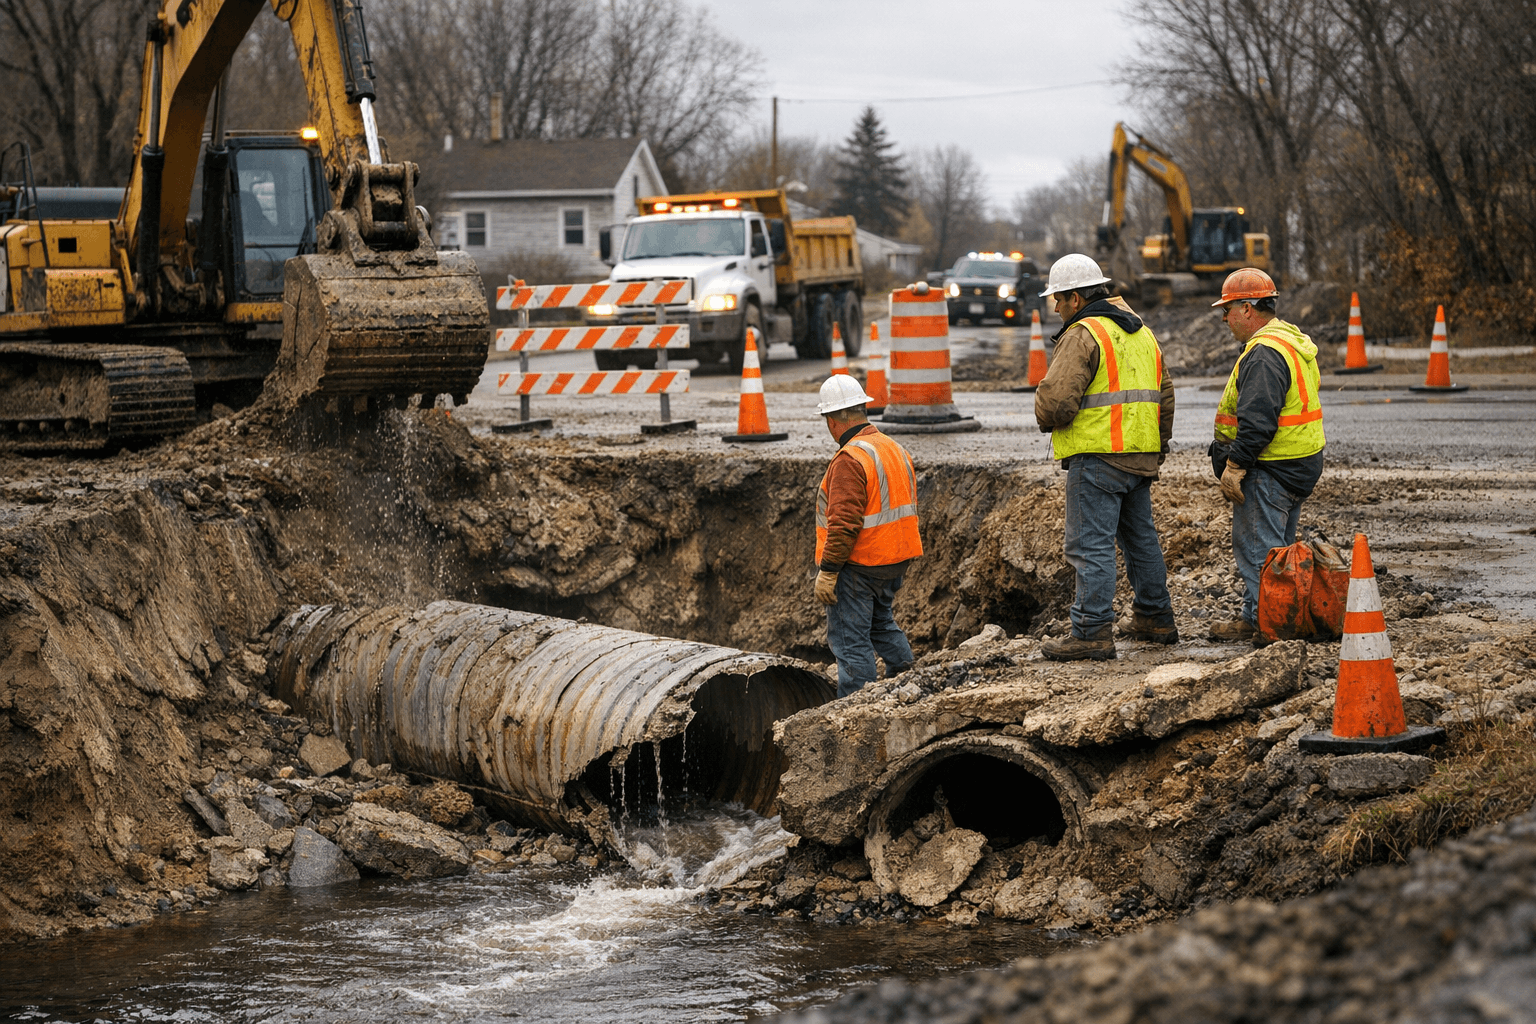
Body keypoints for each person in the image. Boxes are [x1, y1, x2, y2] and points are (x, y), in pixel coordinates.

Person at [1033, 253, 1178, 661]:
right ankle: (1155, 616)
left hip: (1097, 457)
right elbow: (1165, 395)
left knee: (1090, 546)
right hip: (1140, 455)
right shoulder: (1141, 332)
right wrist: (1158, 446)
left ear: (1076, 298)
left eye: (1058, 299)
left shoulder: (1083, 334)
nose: (1056, 309)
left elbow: (1057, 402)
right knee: (1140, 540)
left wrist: (1043, 412)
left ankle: (1091, 631)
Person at [1207, 268, 1326, 642]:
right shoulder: (1290, 342)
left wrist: (1235, 466)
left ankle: (1275, 629)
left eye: (1227, 310)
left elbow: (1258, 422)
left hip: (1270, 469)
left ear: (1247, 308)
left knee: (1260, 554)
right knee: (1276, 551)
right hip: (1298, 464)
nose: (1224, 319)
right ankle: (1255, 616)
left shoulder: (1263, 354)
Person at [814, 375, 922, 698]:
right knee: (881, 624)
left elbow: (844, 524)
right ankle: (907, 683)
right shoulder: (893, 448)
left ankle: (855, 707)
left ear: (833, 420)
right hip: (893, 560)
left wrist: (828, 571)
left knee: (851, 642)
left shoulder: (850, 459)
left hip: (859, 565)